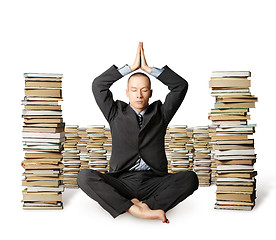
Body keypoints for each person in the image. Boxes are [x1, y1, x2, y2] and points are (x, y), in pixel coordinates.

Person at [77, 42, 199, 223]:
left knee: (191, 179)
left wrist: (149, 69)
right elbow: (98, 85)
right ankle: (137, 209)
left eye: (144, 90)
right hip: (122, 181)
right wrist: (130, 68)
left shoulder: (161, 113)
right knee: (84, 177)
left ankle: (143, 204)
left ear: (150, 93)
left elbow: (180, 86)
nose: (139, 95)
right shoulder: (114, 112)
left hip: (154, 181)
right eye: (134, 90)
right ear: (127, 93)